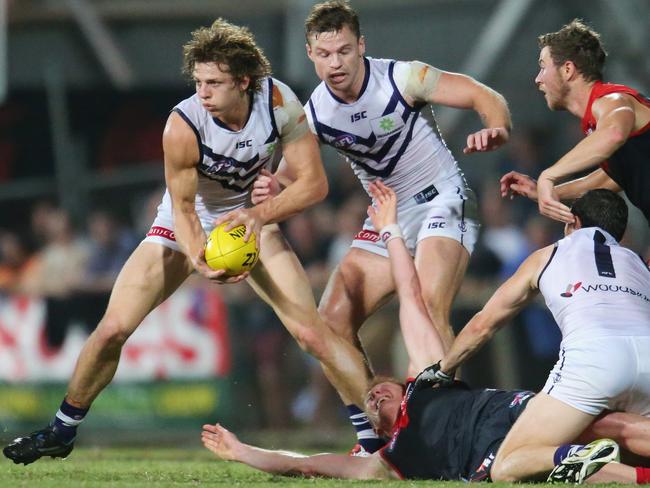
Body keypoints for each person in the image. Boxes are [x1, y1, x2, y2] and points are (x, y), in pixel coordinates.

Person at [3, 18, 370, 465]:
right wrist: (200, 257)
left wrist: (255, 216)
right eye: (198, 81)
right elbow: (181, 206)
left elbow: (313, 185)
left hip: (251, 220)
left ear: (244, 81)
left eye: (214, 82)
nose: (203, 93)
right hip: (186, 224)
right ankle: (62, 429)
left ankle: (380, 440)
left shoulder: (278, 102)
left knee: (313, 334)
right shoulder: (183, 124)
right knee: (113, 329)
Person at [202, 182, 650, 483]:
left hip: (526, 412)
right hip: (494, 449)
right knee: (564, 447)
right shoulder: (391, 457)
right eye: (372, 405)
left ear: (402, 382)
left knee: (598, 431)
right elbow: (315, 465)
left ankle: (587, 463)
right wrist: (246, 453)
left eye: (377, 390)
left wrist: (393, 231)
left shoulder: (428, 386)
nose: (373, 397)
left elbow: (411, 296)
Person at [252, 0, 512, 453]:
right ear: (311, 54)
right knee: (330, 322)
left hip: (442, 200)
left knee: (428, 312)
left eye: (345, 52)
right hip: (387, 219)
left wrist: (497, 127)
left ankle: (445, 437)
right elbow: (295, 176)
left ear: (362, 48)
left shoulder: (402, 77)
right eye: (325, 54)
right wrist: (269, 187)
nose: (336, 63)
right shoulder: (313, 115)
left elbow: (481, 95)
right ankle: (377, 435)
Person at [421, 188, 650, 482]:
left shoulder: (548, 254)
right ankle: (633, 471)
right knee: (623, 437)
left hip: (595, 359)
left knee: (507, 465)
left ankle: (588, 461)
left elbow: (483, 325)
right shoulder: (637, 264)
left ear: (573, 222)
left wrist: (443, 369)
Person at [500, 19, 650, 227]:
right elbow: (611, 179)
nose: (537, 79)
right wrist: (545, 191)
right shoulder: (596, 122)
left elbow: (613, 134)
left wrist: (548, 176)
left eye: (543, 68)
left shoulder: (612, 99)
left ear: (568, 69)